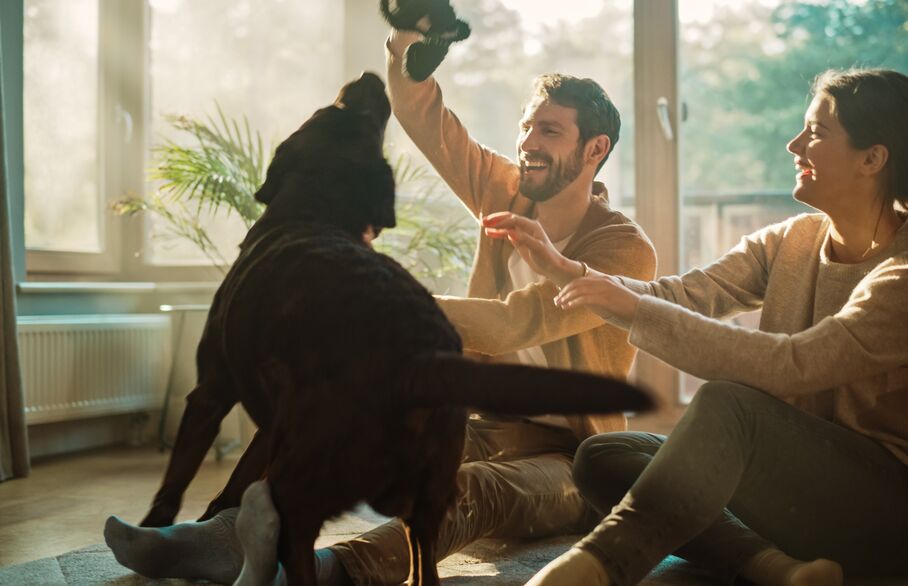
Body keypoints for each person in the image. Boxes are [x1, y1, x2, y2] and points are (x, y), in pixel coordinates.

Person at [103, 25, 656, 586]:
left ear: (595, 149)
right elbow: (429, 123)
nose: (529, 141)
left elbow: (520, 321)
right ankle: (221, 536)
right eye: (527, 125)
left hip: (571, 459)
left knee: (469, 492)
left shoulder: (623, 250)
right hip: (485, 417)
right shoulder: (506, 190)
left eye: (551, 130)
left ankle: (327, 570)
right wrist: (406, 48)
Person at [483, 68, 908, 586]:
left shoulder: (901, 275)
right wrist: (573, 273)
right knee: (603, 455)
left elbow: (796, 365)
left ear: (873, 158)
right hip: (797, 497)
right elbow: (685, 295)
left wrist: (630, 308)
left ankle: (600, 565)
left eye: (816, 133)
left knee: (730, 403)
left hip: (882, 517)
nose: (794, 144)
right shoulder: (792, 240)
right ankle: (776, 567)